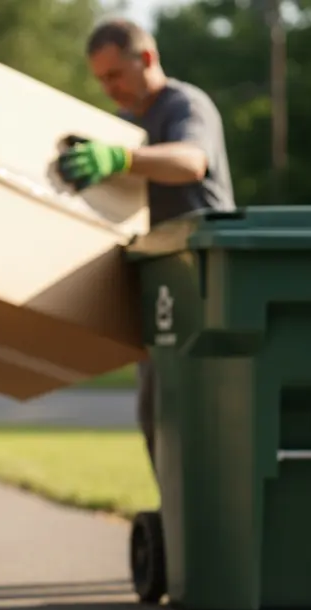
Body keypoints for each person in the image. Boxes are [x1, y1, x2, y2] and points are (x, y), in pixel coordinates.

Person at [54, 18, 235, 484]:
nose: (109, 89)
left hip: (207, 280)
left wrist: (120, 158)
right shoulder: (125, 125)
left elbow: (192, 163)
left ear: (147, 59)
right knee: (156, 416)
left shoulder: (185, 105)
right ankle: (180, 525)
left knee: (208, 416)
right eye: (101, 80)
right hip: (158, 286)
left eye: (114, 75)